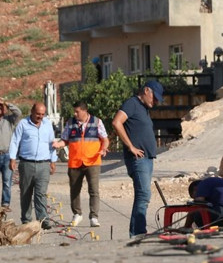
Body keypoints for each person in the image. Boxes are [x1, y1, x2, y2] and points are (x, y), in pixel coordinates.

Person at [112, 80, 164, 237]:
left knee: (143, 195)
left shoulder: (144, 109)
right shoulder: (132, 103)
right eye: (154, 98)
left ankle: (137, 231)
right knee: (144, 195)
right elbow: (116, 122)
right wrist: (130, 146)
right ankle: (138, 232)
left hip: (147, 159)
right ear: (147, 90)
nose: (155, 102)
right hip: (138, 159)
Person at [58, 100, 110, 228]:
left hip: (92, 162)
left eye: (77, 111)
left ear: (84, 110)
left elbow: (105, 139)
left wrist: (103, 149)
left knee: (93, 190)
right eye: (74, 111)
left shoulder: (97, 122)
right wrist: (58, 144)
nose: (75, 114)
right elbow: (64, 140)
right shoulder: (70, 123)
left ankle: (94, 217)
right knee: (74, 190)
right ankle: (77, 214)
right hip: (75, 162)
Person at [9, 102, 58, 229]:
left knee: (40, 193)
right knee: (26, 193)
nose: (40, 117)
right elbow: (15, 141)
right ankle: (26, 219)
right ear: (32, 112)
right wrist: (12, 158)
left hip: (43, 164)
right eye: (38, 114)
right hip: (26, 164)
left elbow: (52, 143)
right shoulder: (23, 124)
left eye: (42, 114)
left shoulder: (47, 124)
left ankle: (43, 220)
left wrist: (53, 161)